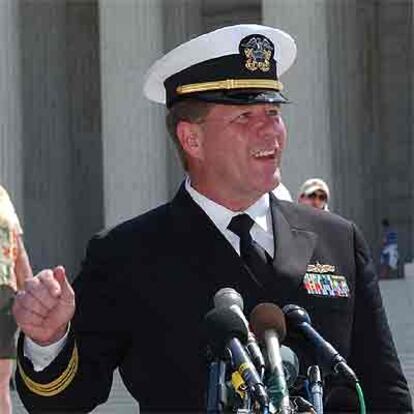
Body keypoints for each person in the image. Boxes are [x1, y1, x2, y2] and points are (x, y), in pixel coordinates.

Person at [13, 24, 412, 413]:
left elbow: (384, 392)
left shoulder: (337, 240)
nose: (269, 130)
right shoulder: (127, 255)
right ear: (192, 139)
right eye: (244, 117)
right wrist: (48, 340)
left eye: (273, 111)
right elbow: (64, 401)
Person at [0, 186, 32, 414]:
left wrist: (30, 293)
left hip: (4, 297)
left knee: (1, 383)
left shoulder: (2, 196)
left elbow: (18, 251)